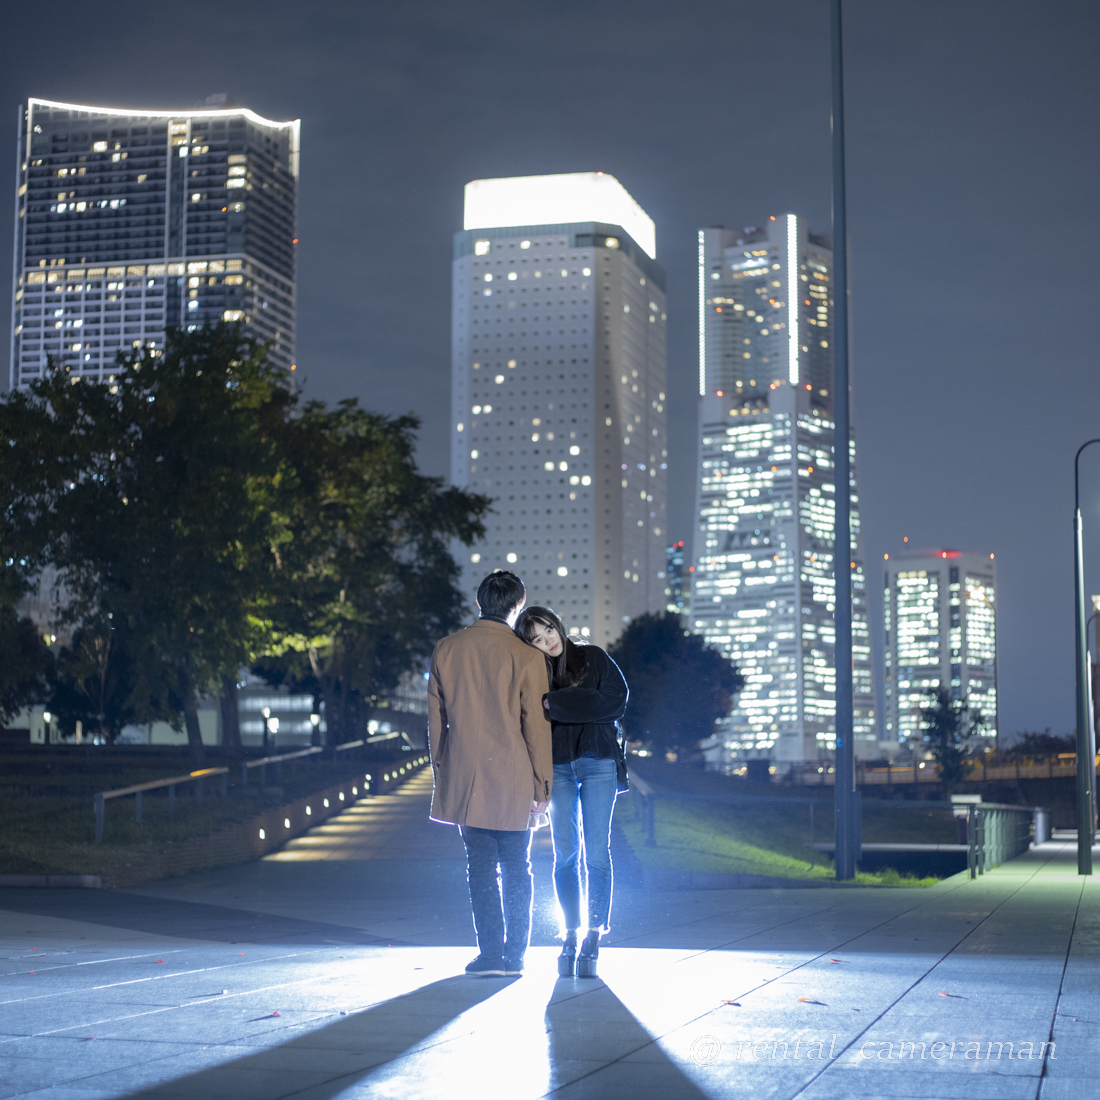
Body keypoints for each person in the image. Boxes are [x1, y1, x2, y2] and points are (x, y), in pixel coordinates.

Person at [427, 571, 553, 977]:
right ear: (517, 605)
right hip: (516, 779)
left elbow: (436, 722)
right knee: (518, 867)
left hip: (466, 777)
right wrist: (543, 785)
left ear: (479, 601)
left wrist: (442, 773)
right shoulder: (527, 656)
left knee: (479, 867)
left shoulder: (446, 649)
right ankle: (515, 955)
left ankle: (490, 955)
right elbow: (536, 725)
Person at [514, 606, 628, 978]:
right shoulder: (535, 671)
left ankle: (594, 933)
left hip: (597, 761)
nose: (547, 640)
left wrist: (557, 704)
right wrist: (581, 705)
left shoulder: (591, 656)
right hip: (558, 765)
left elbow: (615, 701)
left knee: (597, 851)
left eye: (548, 629)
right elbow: (531, 717)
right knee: (565, 854)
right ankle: (569, 933)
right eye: (536, 638)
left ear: (557, 625)